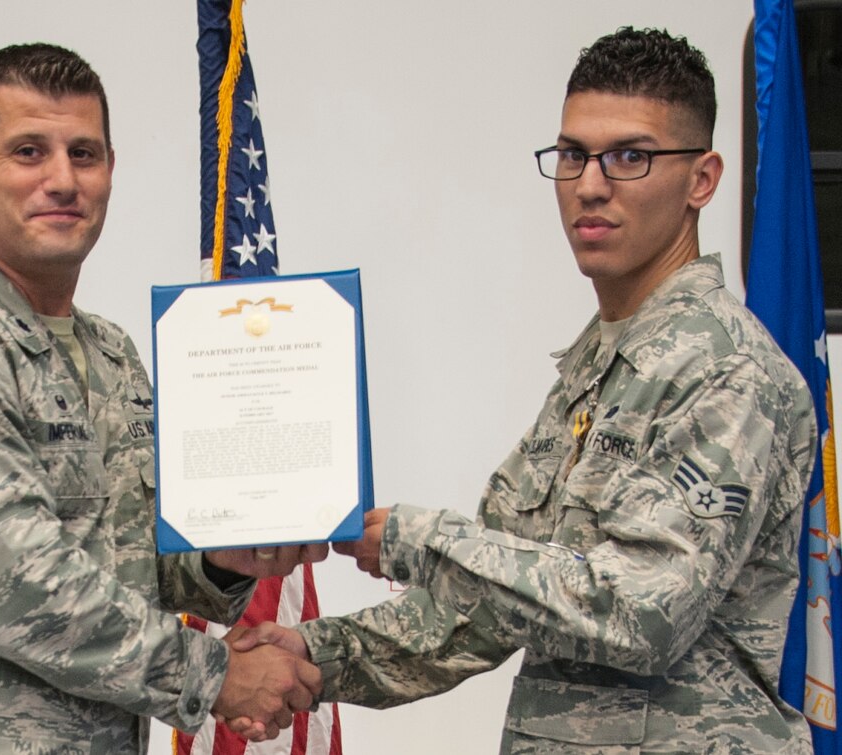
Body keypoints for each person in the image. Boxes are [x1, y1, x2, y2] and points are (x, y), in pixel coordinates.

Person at [228, 27, 818, 753]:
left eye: (629, 156)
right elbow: (486, 610)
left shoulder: (729, 371)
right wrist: (316, 652)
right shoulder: (596, 370)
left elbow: (642, 613)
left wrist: (422, 539)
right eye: (573, 155)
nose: (591, 185)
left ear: (702, 178)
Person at [0, 42, 325, 755]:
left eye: (84, 154)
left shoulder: (111, 354)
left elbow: (133, 562)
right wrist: (218, 676)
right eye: (29, 151)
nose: (62, 179)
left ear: (111, 171)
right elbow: (17, 585)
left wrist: (226, 557)